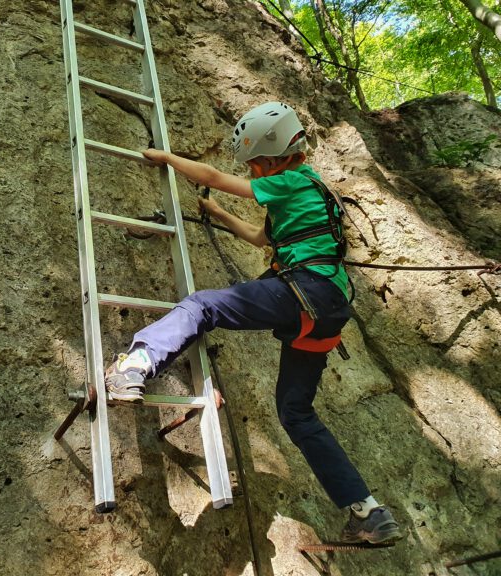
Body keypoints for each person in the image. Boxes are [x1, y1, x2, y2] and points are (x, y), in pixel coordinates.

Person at [104, 101, 403, 545]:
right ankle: (367, 511)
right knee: (296, 413)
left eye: (257, 164)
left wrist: (166, 158)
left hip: (305, 291)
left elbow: (215, 178)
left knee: (203, 306)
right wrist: (220, 215)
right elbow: (262, 238)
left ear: (276, 157)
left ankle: (134, 366)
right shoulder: (308, 190)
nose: (255, 172)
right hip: (328, 309)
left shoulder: (293, 179)